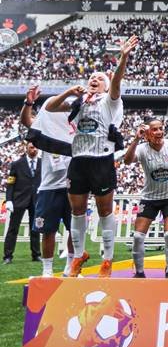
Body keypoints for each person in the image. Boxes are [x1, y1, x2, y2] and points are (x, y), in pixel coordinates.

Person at [43, 35, 137, 278]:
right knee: (77, 211)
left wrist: (123, 58)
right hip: (79, 161)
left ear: (105, 87)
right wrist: (68, 92)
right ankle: (78, 257)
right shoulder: (79, 102)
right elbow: (50, 107)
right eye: (91, 78)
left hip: (101, 160)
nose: (94, 79)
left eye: (99, 79)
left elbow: (116, 81)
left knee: (104, 210)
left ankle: (107, 259)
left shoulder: (110, 101)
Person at [122, 118, 168, 277]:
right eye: (154, 129)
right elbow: (126, 161)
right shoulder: (141, 148)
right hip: (149, 197)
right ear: (146, 134)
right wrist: (136, 139)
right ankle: (139, 273)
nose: (159, 132)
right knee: (138, 237)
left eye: (161, 128)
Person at [20, 85, 75, 278]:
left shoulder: (77, 122)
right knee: (48, 230)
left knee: (74, 229)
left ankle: (70, 267)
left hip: (74, 185)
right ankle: (47, 269)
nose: (63, 106)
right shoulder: (47, 124)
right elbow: (27, 121)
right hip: (49, 185)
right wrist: (29, 102)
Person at [3, 141, 41, 264]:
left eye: (35, 147)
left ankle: (36, 255)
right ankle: (8, 256)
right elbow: (10, 183)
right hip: (19, 200)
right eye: (31, 147)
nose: (33, 150)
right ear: (26, 149)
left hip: (36, 200)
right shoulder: (17, 164)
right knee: (13, 228)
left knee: (35, 228)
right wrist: (9, 200)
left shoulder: (42, 163)